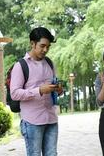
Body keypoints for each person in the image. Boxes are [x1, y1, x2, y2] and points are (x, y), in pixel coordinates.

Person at [10, 27, 62, 156]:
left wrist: (58, 90)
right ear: (32, 43)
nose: (45, 50)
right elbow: (15, 93)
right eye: (42, 46)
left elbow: (54, 88)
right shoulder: (21, 66)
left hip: (51, 119)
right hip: (32, 121)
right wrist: (39, 90)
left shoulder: (50, 63)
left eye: (48, 47)